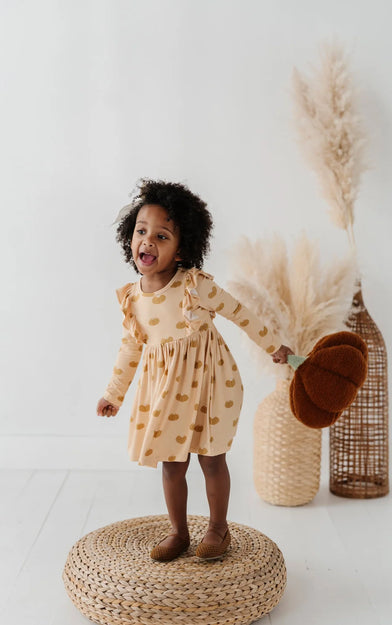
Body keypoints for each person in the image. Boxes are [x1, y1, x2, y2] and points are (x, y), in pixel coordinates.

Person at [96, 178, 293, 562]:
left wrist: (274, 345)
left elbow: (240, 313)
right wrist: (114, 394)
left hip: (210, 384)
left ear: (182, 249)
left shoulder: (194, 287)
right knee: (172, 464)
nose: (147, 241)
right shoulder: (133, 298)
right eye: (141, 231)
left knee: (211, 458)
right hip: (166, 391)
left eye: (162, 236)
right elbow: (130, 348)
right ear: (129, 237)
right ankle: (179, 532)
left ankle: (219, 529)